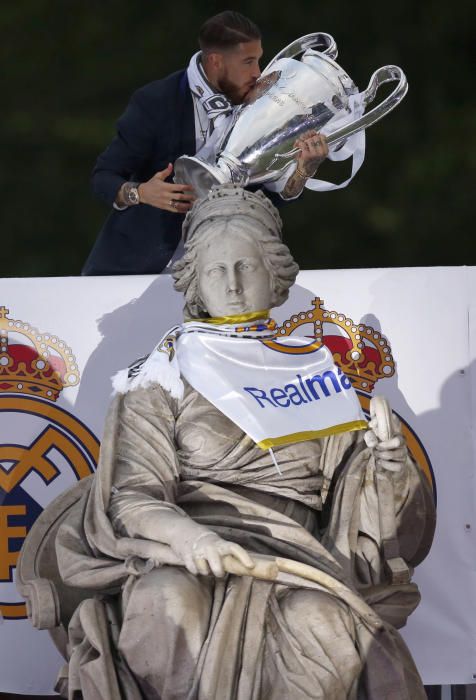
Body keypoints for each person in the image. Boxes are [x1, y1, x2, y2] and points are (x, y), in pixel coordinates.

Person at [57, 186, 435, 699]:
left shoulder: (315, 373)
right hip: (186, 552)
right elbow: (131, 498)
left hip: (299, 559)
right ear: (195, 282)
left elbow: (356, 506)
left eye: (246, 266)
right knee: (165, 604)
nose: (232, 285)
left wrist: (389, 472)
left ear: (275, 275)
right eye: (216, 270)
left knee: (322, 619)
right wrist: (195, 541)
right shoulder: (161, 377)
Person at [82, 11, 328, 276]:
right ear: (215, 62)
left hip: (221, 274)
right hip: (134, 271)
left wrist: (303, 170)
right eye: (248, 62)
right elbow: (103, 177)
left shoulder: (263, 103)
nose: (258, 72)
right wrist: (141, 193)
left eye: (259, 60)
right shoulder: (156, 101)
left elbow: (266, 198)